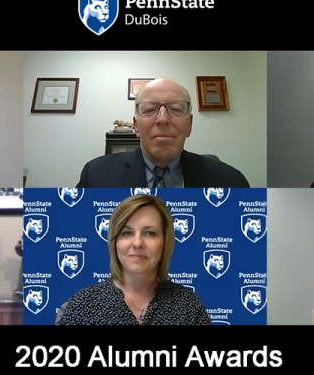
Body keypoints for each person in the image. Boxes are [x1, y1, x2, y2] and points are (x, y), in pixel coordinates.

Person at [56, 194, 211, 325]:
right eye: (126, 233)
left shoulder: (188, 307)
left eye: (150, 233)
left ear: (165, 242)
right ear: (114, 241)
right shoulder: (83, 305)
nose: (137, 243)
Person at [75, 78, 250, 188]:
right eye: (150, 109)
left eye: (175, 109)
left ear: (189, 124)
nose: (163, 119)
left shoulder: (230, 181)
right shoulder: (96, 177)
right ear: (135, 126)